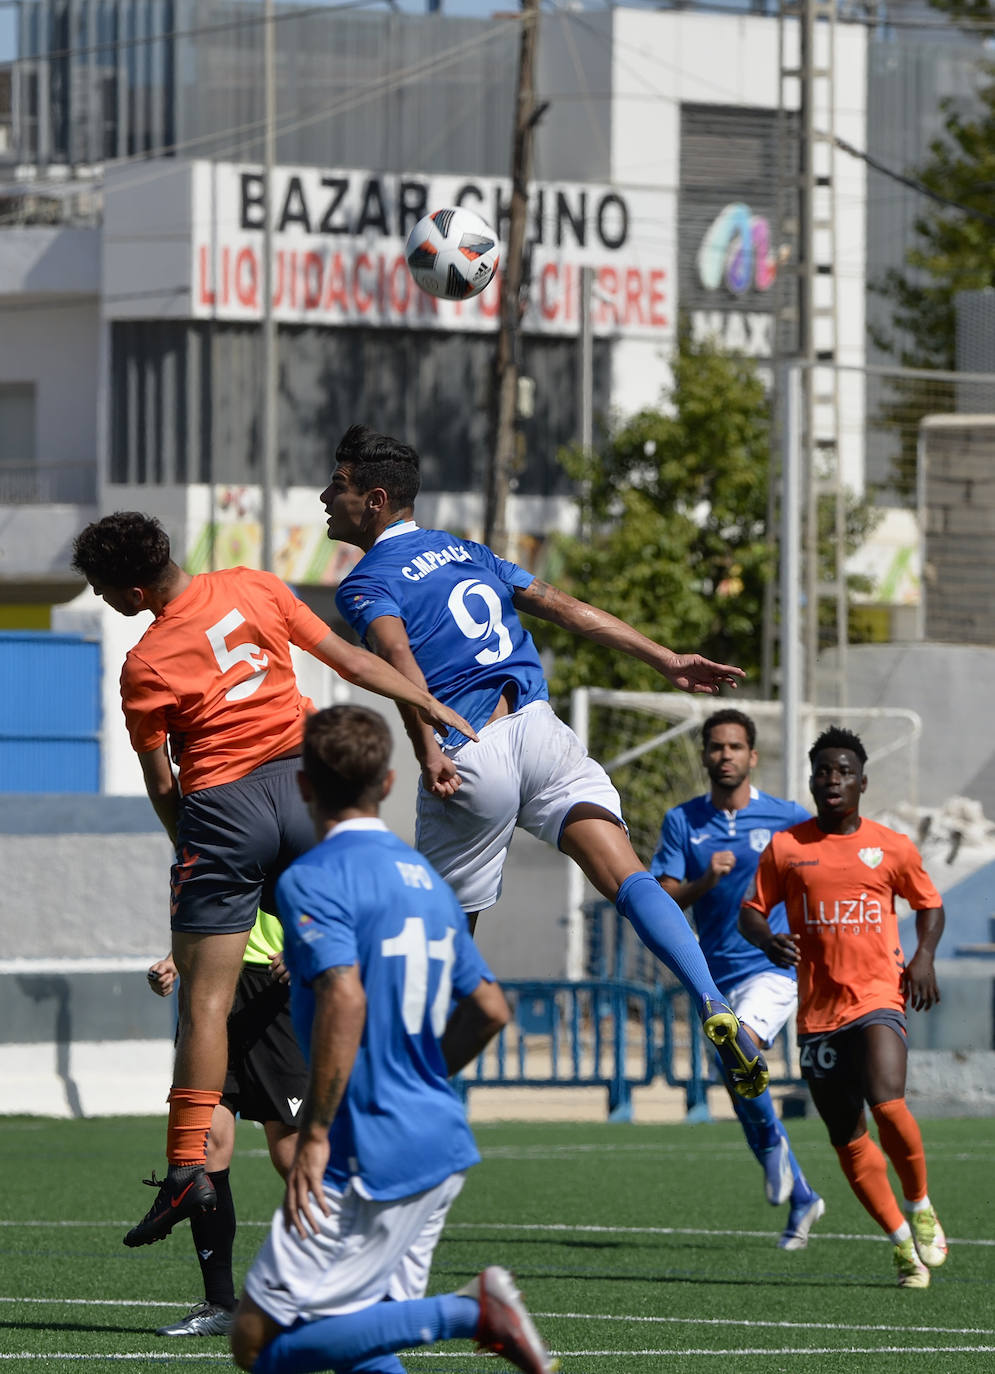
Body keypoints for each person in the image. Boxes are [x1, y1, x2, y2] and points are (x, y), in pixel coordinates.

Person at [322, 424, 768, 1101]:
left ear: (376, 499)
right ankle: (710, 999)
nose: (327, 497)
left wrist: (426, 748)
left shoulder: (365, 583)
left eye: (340, 485)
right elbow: (564, 608)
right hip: (540, 729)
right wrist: (666, 659)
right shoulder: (464, 551)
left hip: (469, 747)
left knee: (440, 939)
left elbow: (398, 662)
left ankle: (399, 1091)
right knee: (627, 877)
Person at [70, 511, 477, 1249]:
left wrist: (192, 849)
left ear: (133, 589)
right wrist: (424, 701)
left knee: (206, 1004)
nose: (101, 600)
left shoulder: (145, 663)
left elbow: (163, 782)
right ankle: (388, 1114)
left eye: (101, 589)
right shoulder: (256, 586)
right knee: (347, 967)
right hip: (304, 789)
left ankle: (186, 1167)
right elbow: (352, 666)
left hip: (224, 809)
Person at [231, 703, 555, 1374]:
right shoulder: (429, 885)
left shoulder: (312, 879)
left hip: (366, 1146)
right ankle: (464, 1313)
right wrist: (424, 1076)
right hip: (436, 1136)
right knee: (365, 1334)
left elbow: (344, 995)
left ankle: (469, 1312)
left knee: (255, 1343)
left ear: (303, 786)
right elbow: (491, 1008)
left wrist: (315, 1135)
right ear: (386, 783)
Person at [739, 725, 947, 1288]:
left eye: (843, 771)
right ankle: (902, 1243)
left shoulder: (892, 846)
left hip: (879, 997)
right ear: (812, 781)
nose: (832, 780)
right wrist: (765, 939)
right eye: (823, 771)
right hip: (818, 1015)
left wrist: (923, 957)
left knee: (887, 1101)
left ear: (862, 782)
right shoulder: (788, 847)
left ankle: (921, 1203)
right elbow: (751, 911)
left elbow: (929, 905)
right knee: (847, 1136)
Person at [651, 708, 824, 1250]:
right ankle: (799, 1193)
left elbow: (821, 873)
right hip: (712, 972)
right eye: (716, 747)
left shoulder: (786, 817)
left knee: (744, 1045)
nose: (725, 755)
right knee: (740, 1081)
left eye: (735, 747)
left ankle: (776, 1154)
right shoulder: (683, 821)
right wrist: (706, 879)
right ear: (705, 755)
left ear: (752, 756)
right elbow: (662, 898)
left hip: (771, 966)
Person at [146, 910, 306, 1338]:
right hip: (210, 987)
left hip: (276, 991)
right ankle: (220, 1304)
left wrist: (308, 945)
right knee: (206, 1148)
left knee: (292, 1154)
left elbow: (335, 896)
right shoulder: (203, 849)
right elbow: (213, 910)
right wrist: (175, 960)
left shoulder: (293, 842)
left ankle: (348, 1289)